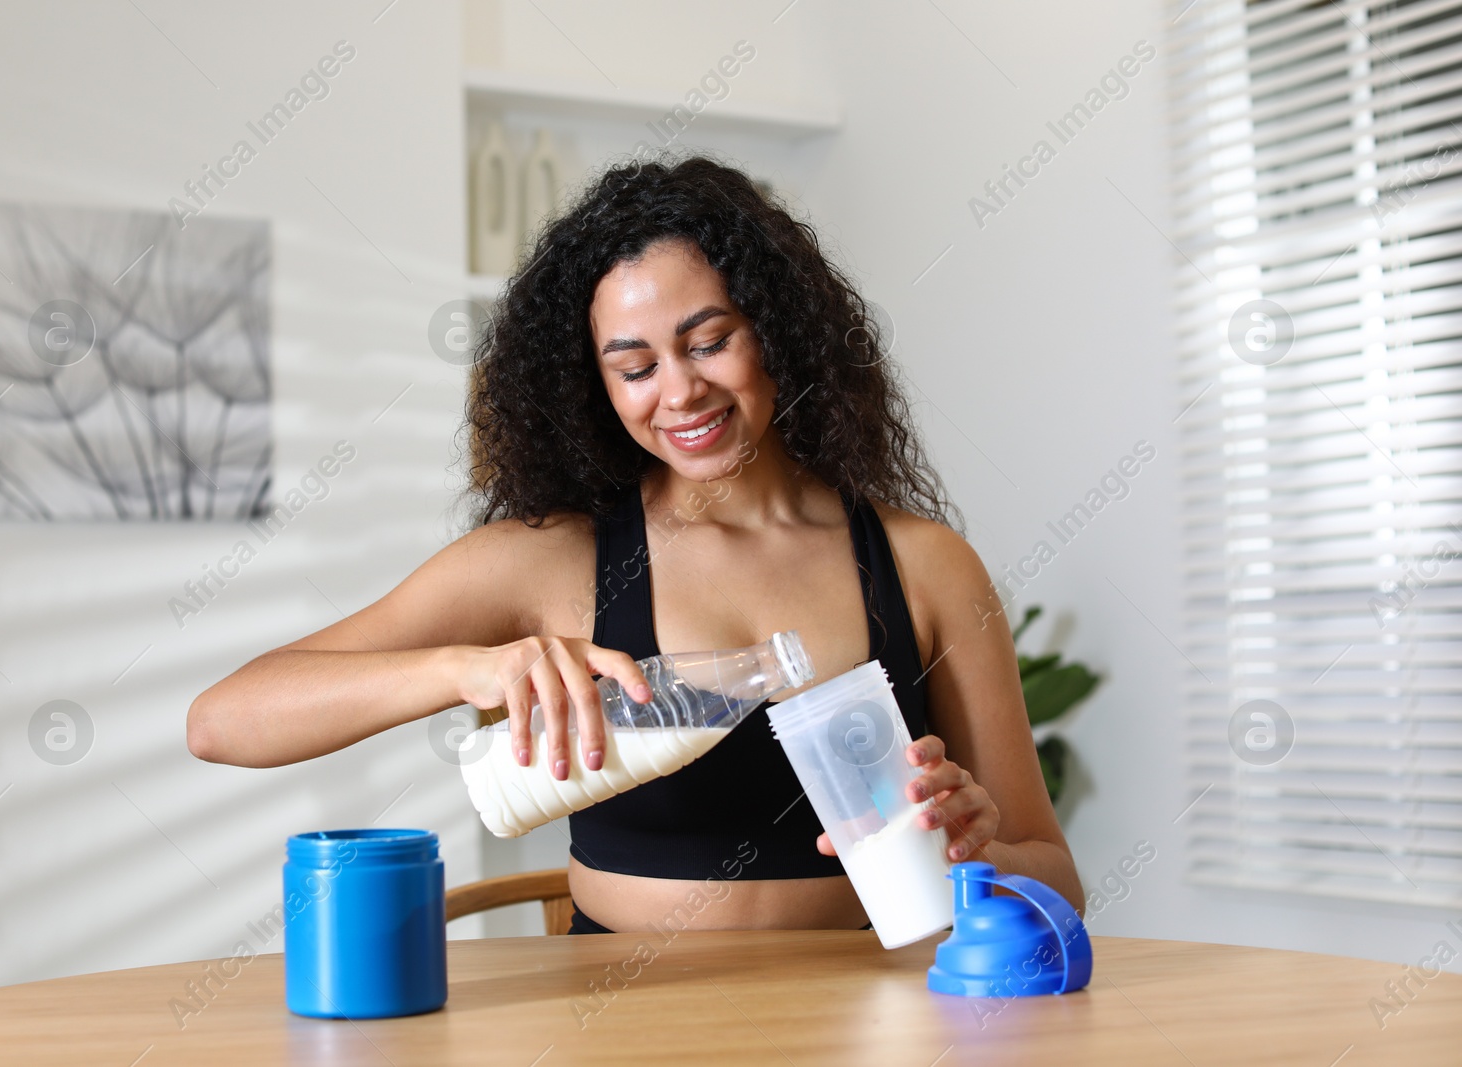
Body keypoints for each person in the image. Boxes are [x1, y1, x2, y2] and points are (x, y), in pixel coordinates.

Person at [187, 155, 1085, 932]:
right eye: (636, 367)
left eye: (710, 341)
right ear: (596, 386)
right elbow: (223, 720)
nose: (681, 391)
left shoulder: (922, 565)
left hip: (872, 1010)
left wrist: (982, 844)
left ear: (776, 331)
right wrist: (468, 670)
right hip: (618, 1023)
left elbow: (1057, 877)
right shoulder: (549, 561)